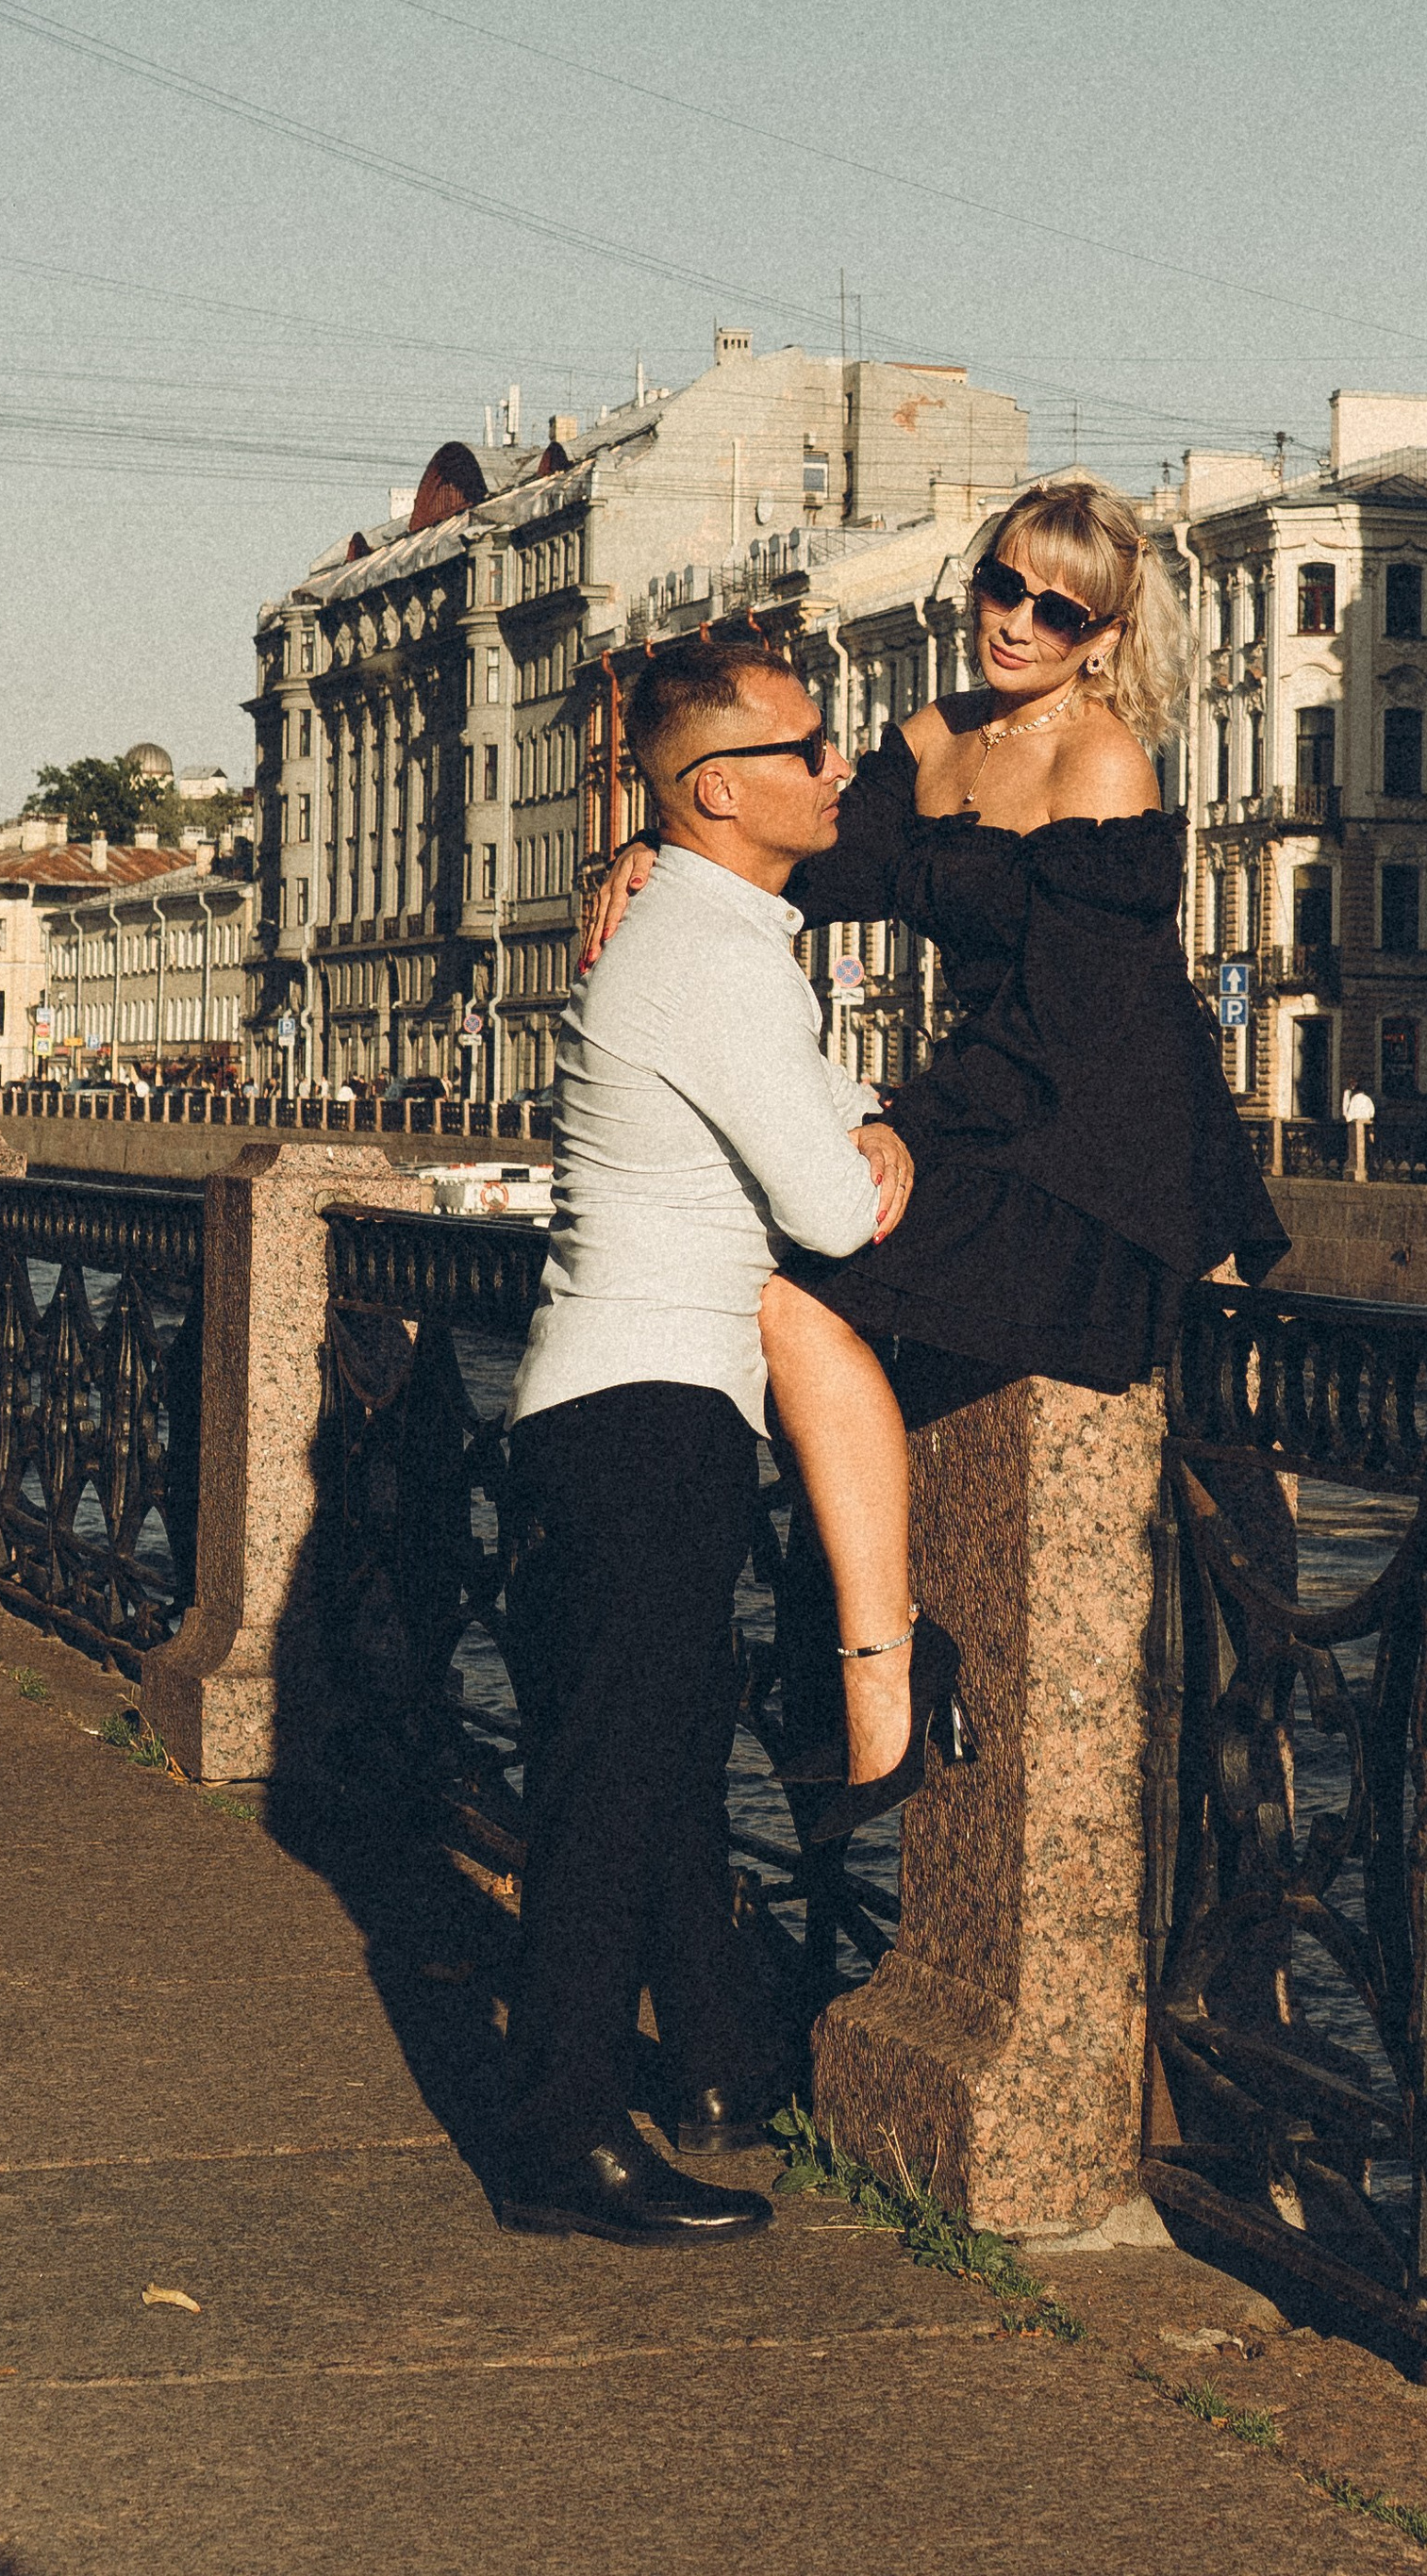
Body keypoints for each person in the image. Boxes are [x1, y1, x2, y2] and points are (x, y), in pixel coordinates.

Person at [585, 476, 1289, 1842]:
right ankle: (857, 1678)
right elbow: (810, 856)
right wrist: (654, 842)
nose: (1017, 622)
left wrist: (900, 1126)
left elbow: (1071, 1028)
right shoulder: (938, 734)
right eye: (1002, 586)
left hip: (1107, 1154)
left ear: (1104, 635)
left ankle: (876, 1684)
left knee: (812, 1282)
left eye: (1057, 607)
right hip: (995, 1110)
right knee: (798, 1272)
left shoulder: (1103, 767)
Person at [495, 635, 915, 2245]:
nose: (840, 769)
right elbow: (824, 1208)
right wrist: (869, 1133)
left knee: (661, 1772)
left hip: (618, 1404)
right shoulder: (711, 956)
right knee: (619, 1784)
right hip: (650, 1412)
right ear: (721, 790)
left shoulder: (702, 930)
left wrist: (846, 1106)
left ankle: (726, 2061)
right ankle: (557, 2134)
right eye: (813, 750)